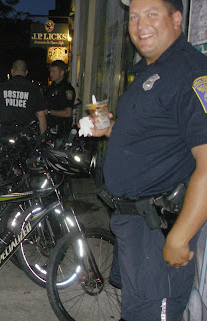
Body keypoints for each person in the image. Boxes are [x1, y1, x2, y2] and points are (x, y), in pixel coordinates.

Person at [80, 0, 207, 320]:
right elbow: (154, 135)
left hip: (159, 226)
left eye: (152, 14)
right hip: (132, 223)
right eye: (134, 16)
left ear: (177, 19)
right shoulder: (149, 74)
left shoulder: (191, 72)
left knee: (154, 310)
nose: (139, 25)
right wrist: (110, 129)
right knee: (136, 311)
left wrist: (180, 236)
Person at [0, 59, 47, 139]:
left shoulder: (1, 88)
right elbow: (41, 116)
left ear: (12, 71)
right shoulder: (34, 89)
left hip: (5, 136)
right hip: (26, 137)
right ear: (26, 72)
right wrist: (42, 138)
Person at [44, 60, 76, 137]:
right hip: (49, 127)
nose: (51, 74)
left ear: (61, 73)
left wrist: (49, 112)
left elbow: (67, 113)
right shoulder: (51, 88)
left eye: (54, 72)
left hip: (61, 129)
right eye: (50, 71)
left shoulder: (67, 89)